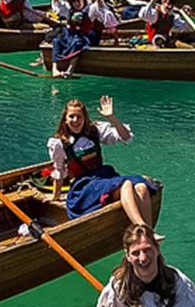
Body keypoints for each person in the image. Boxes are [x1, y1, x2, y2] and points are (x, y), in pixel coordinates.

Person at [47, 95, 158, 224]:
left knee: (141, 186)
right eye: (71, 116)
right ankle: (141, 227)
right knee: (126, 184)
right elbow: (59, 171)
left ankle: (149, 232)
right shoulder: (60, 144)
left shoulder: (94, 131)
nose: (76, 120)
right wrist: (56, 197)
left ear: (85, 118)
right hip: (84, 186)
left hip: (103, 177)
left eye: (79, 117)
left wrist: (111, 117)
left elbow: (126, 137)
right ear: (65, 119)